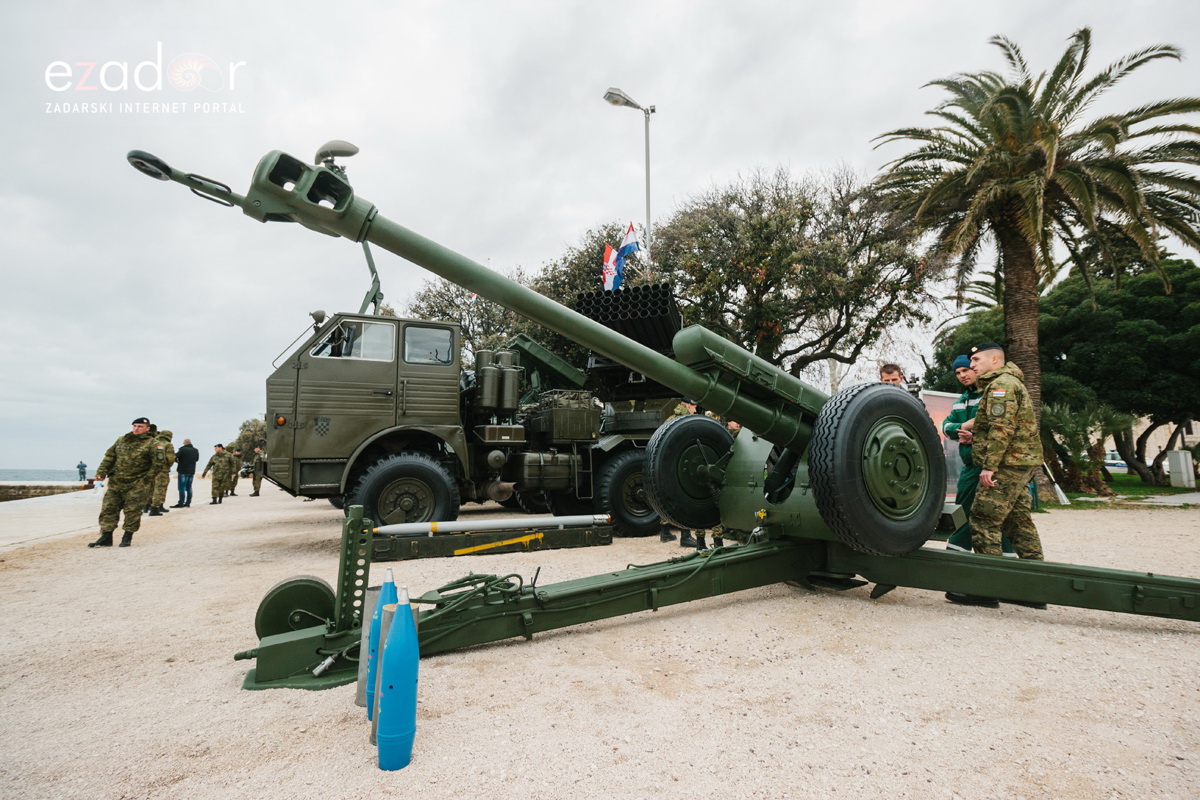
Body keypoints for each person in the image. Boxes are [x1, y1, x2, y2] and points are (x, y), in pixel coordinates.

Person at [960, 341, 1047, 609]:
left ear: (995, 359)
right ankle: (1036, 590)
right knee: (1017, 521)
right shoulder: (1006, 383)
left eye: (976, 360)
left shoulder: (1002, 385)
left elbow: (1002, 429)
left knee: (983, 518)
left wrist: (989, 466)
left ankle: (988, 589)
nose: (971, 365)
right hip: (1020, 461)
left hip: (1008, 463)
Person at [941, 356, 1017, 559]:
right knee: (962, 513)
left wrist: (973, 436)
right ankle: (956, 560)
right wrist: (964, 427)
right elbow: (946, 427)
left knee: (998, 514)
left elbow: (1000, 425)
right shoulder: (960, 402)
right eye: (958, 373)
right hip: (970, 466)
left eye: (966, 370)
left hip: (994, 465)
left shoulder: (994, 393)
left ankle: (1009, 563)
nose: (962, 375)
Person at [89, 417, 164, 548]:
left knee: (132, 511)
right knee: (108, 509)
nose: (136, 428)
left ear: (147, 428)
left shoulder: (153, 444)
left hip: (136, 483)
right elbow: (110, 457)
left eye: (140, 426)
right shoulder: (122, 440)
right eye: (134, 426)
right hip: (116, 482)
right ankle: (106, 536)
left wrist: (145, 481)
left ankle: (127, 536)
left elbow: (158, 465)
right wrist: (101, 473)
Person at [147, 429, 176, 516]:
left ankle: (150, 506)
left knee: (151, 488)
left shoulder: (152, 443)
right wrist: (167, 466)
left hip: (151, 470)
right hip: (162, 470)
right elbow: (171, 459)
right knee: (160, 489)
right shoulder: (168, 445)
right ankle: (155, 508)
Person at [173, 438, 200, 507]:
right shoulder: (195, 450)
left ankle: (181, 503)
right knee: (189, 487)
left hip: (183, 470)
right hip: (191, 471)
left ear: (184, 443)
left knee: (182, 487)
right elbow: (196, 459)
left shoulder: (182, 450)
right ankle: (188, 503)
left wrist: (177, 461)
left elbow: (174, 456)